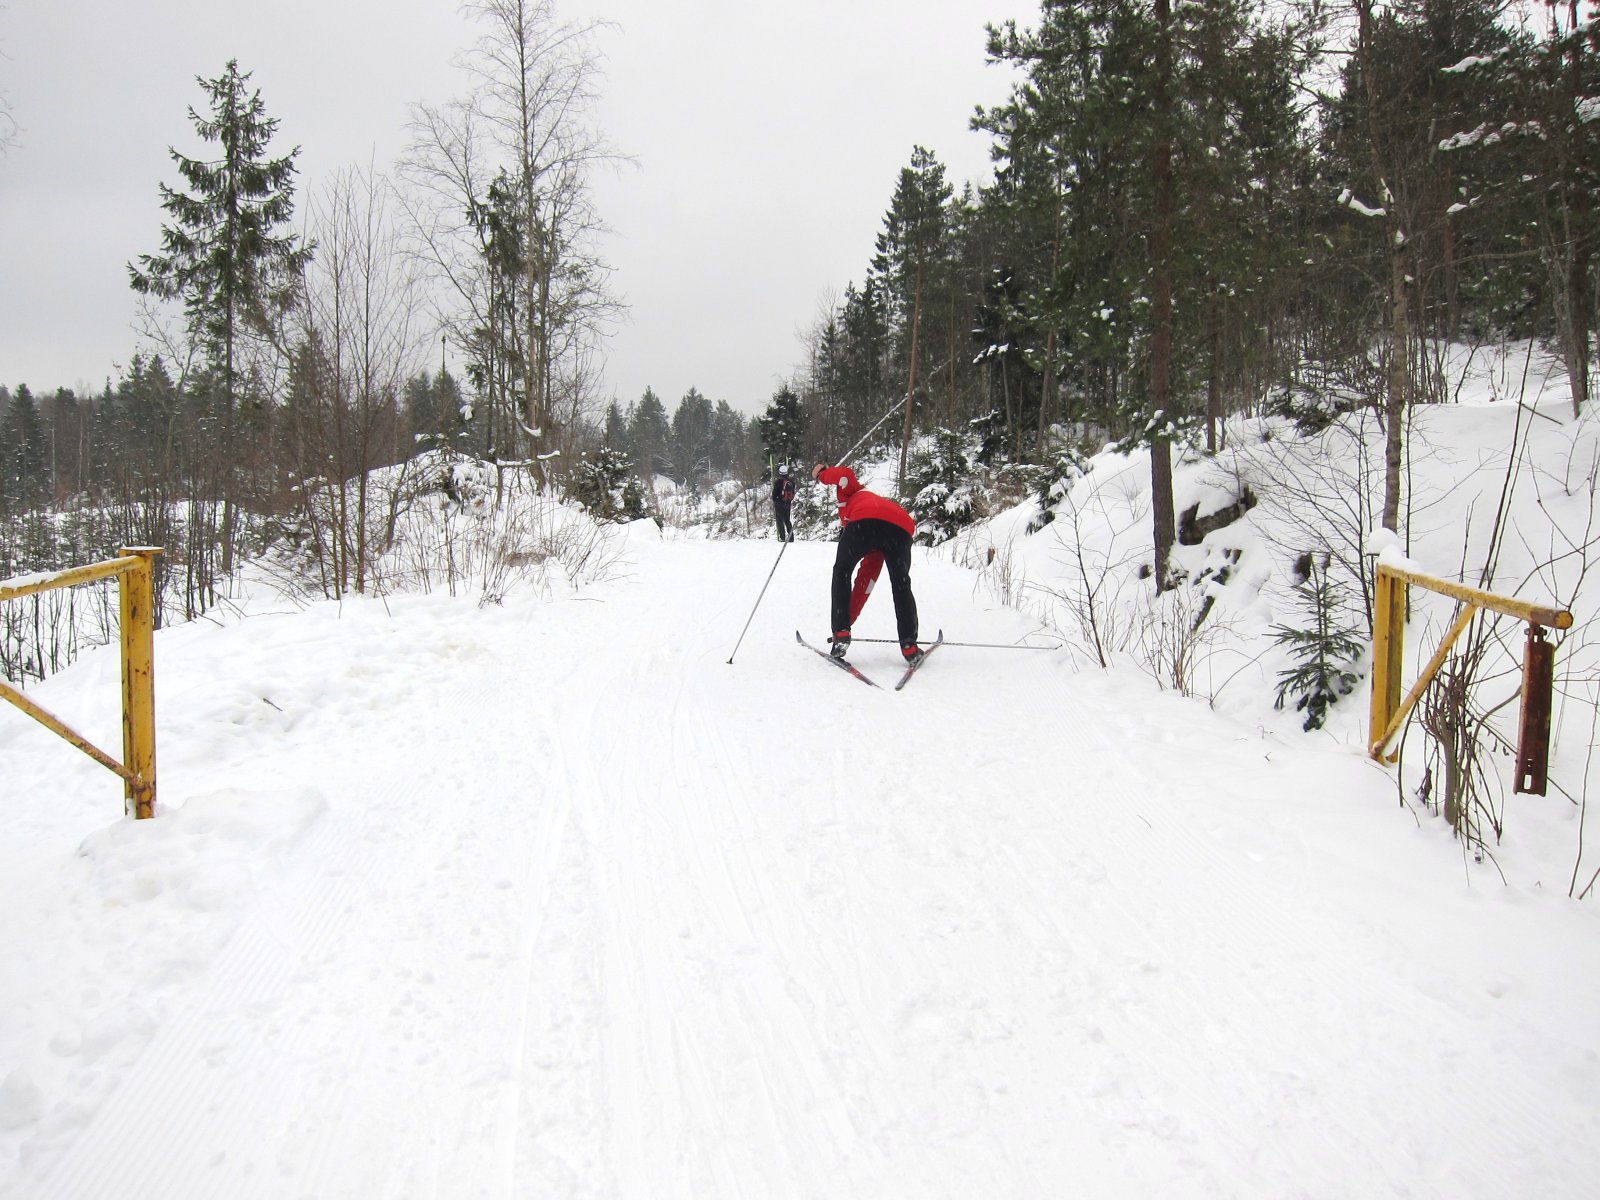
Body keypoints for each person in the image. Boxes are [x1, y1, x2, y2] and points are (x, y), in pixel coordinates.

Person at [811, 463, 923, 665]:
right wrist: (848, 621)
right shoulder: (876, 517)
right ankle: (909, 646)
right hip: (900, 529)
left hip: (864, 523)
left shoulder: (854, 492)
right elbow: (865, 585)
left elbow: (844, 475)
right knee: (901, 584)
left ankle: (841, 633)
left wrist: (822, 474)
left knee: (842, 571)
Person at [771, 463, 796, 542]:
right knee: (787, 520)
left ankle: (782, 537)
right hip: (787, 503)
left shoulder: (777, 482)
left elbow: (774, 495)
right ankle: (791, 537)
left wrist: (775, 500)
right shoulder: (791, 482)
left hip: (779, 503)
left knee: (780, 520)